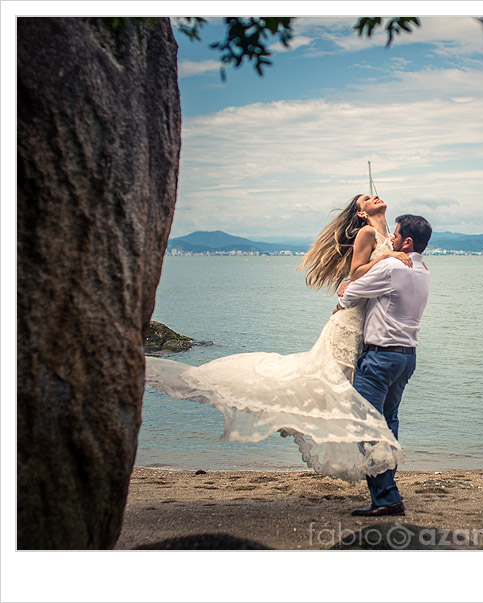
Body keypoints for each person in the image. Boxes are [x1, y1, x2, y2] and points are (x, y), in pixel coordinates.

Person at [144, 194, 417, 483]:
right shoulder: (368, 233)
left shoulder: (391, 237)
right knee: (327, 382)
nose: (373, 196)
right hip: (350, 324)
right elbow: (357, 272)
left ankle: (381, 475)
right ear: (361, 213)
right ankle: (372, 472)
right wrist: (386, 258)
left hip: (368, 326)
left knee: (347, 392)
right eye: (365, 198)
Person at [335, 214, 432, 517]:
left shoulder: (392, 266)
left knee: (365, 424)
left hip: (380, 358)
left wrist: (345, 292)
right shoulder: (423, 271)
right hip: (407, 357)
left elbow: (350, 292)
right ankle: (388, 493)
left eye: (395, 236)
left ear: (407, 242)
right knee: (388, 423)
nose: (390, 240)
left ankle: (387, 497)